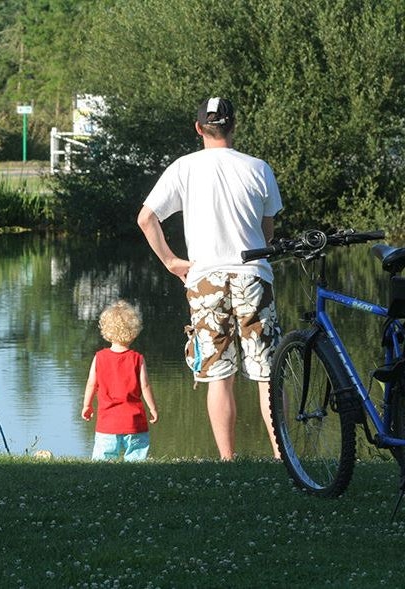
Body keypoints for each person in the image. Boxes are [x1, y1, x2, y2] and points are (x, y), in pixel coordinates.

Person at [136, 96, 282, 460]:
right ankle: (285, 457)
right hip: (253, 275)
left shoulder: (184, 168)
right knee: (266, 374)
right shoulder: (258, 168)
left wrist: (171, 261)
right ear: (234, 126)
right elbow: (268, 233)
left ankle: (228, 460)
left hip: (205, 280)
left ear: (199, 128)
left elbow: (146, 218)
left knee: (219, 375)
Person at [82, 300, 159, 461]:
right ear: (133, 331)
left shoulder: (99, 358)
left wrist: (87, 405)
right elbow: (145, 386)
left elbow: (91, 384)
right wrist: (152, 408)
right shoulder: (137, 359)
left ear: (106, 330)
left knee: (103, 461)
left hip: (107, 424)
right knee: (136, 459)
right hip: (134, 422)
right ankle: (135, 475)